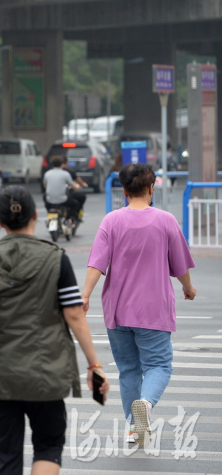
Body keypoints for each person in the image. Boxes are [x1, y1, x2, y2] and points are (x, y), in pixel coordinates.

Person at [0, 185, 108, 475]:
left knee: (6, 454)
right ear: (36, 215)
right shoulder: (56, 258)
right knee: (48, 446)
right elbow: (74, 315)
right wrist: (94, 364)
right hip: (46, 372)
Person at [82, 163, 196, 447]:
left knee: (129, 369)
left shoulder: (111, 221)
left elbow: (97, 263)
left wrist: (84, 295)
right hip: (153, 310)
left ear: (123, 190)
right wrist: (188, 288)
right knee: (158, 365)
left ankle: (134, 428)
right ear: (151, 187)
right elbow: (180, 265)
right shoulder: (166, 220)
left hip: (118, 311)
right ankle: (144, 405)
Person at [42, 155, 81, 221]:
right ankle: (67, 218)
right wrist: (78, 186)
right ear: (62, 164)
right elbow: (73, 186)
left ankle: (49, 213)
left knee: (45, 198)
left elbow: (45, 185)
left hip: (50, 200)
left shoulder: (47, 174)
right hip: (63, 200)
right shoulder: (65, 174)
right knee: (75, 204)